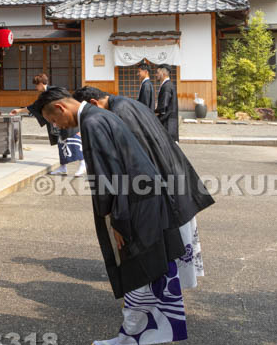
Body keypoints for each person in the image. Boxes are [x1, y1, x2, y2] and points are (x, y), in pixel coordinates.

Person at [31, 87, 186, 345]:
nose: (56, 127)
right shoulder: (99, 116)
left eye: (52, 120)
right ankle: (128, 337)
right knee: (137, 275)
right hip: (141, 200)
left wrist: (117, 220)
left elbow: (108, 175)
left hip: (134, 207)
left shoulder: (91, 123)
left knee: (139, 275)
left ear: (61, 108)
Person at [74, 85, 212, 291]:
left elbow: (133, 158)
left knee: (168, 242)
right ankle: (173, 286)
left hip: (160, 179)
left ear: (93, 103)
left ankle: (166, 290)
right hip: (172, 170)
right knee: (179, 238)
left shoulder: (118, 112)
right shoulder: (127, 103)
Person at [10, 73, 85, 176]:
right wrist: (19, 110)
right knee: (60, 143)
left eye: (36, 85)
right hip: (57, 122)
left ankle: (83, 164)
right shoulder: (44, 95)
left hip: (67, 119)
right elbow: (35, 107)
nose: (36, 88)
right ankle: (63, 167)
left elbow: (70, 102)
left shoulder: (56, 91)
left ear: (41, 83)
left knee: (73, 141)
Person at [155, 65, 179, 142]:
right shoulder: (168, 85)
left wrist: (154, 113)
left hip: (167, 122)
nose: (156, 75)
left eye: (158, 73)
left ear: (163, 74)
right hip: (169, 121)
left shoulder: (167, 86)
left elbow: (163, 107)